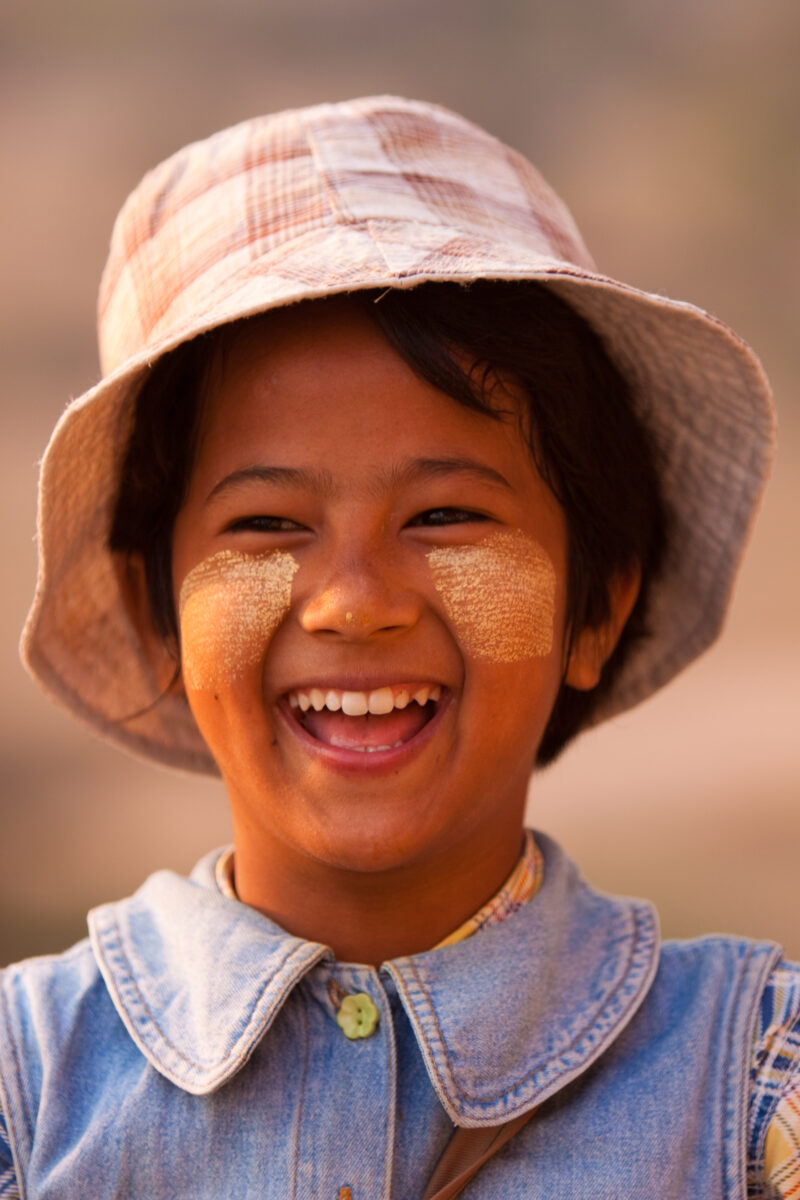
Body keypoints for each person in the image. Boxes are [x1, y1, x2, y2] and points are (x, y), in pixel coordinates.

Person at [0, 95, 796, 1199]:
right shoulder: (25, 1089)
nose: (353, 603)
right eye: (267, 525)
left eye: (444, 517)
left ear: (593, 611)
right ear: (157, 618)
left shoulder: (755, 1080)